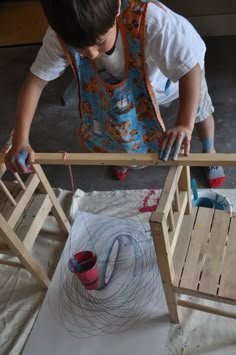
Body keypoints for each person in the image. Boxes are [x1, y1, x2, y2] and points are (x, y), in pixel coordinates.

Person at [5, 0, 225, 188]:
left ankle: (209, 151)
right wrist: (20, 139)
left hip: (180, 78)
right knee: (117, 119)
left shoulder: (154, 22)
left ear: (118, 7)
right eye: (80, 48)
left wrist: (184, 126)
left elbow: (190, 72)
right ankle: (125, 156)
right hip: (131, 84)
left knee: (199, 112)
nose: (90, 55)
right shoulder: (63, 32)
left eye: (100, 42)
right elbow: (35, 82)